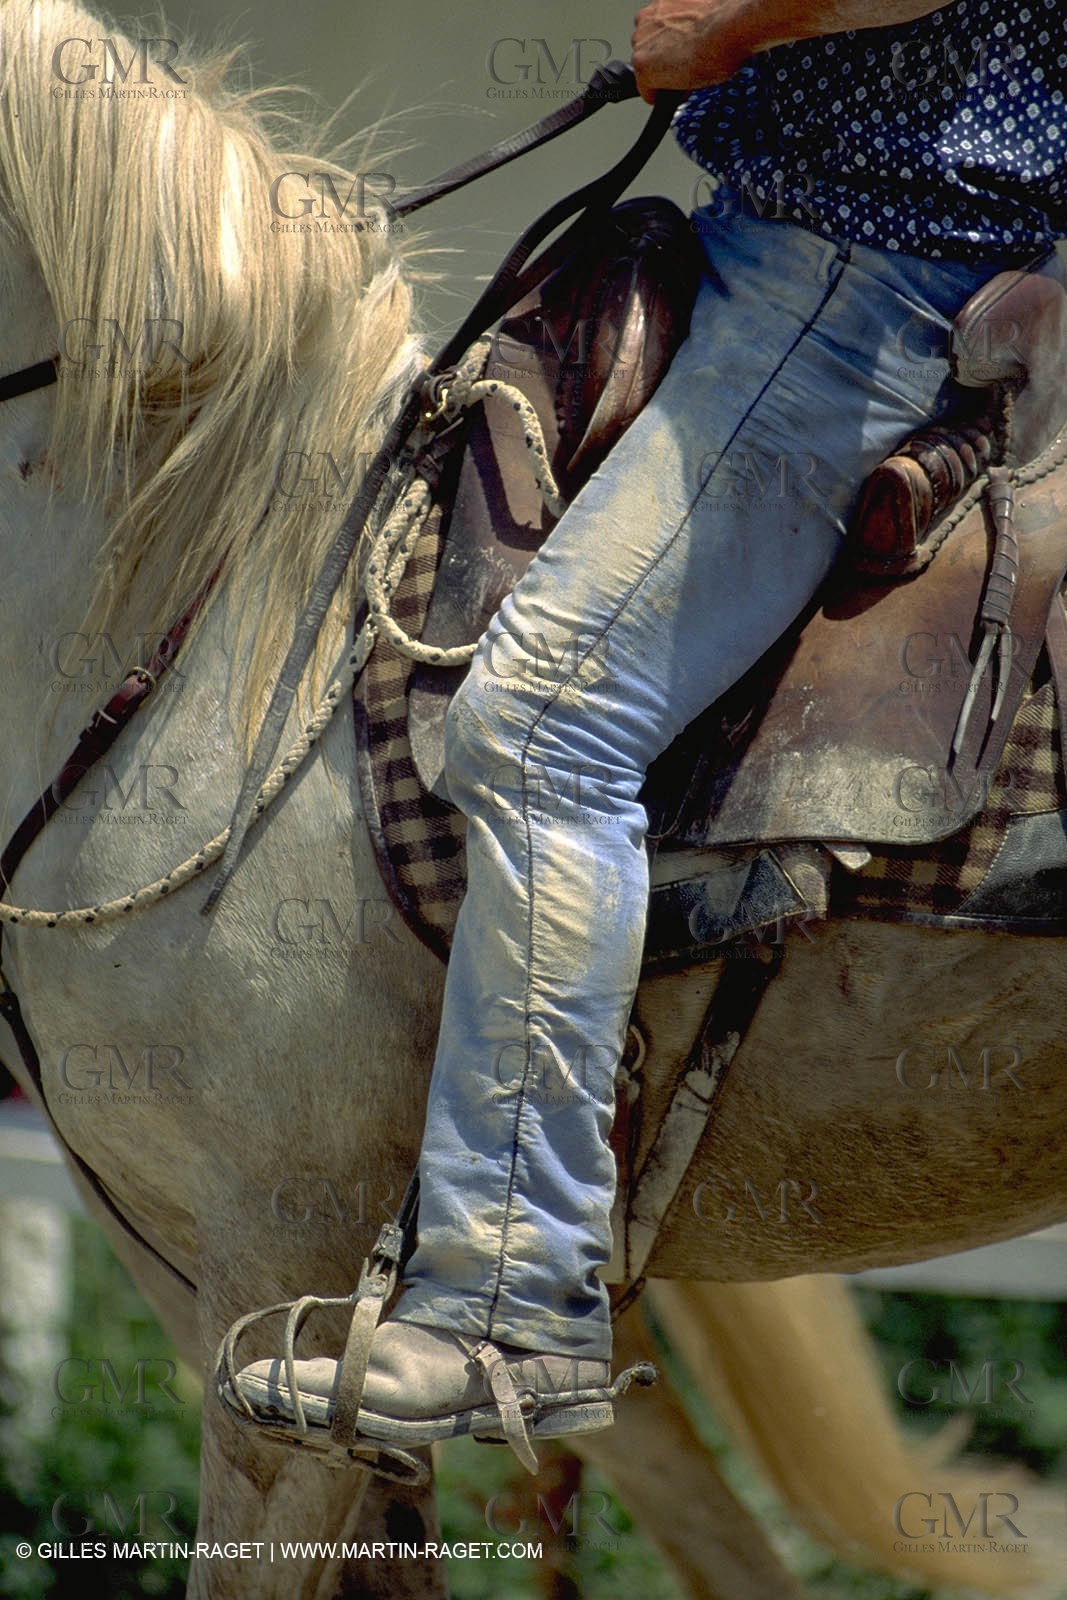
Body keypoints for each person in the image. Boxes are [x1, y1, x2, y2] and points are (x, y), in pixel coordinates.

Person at [227, 0, 1067, 1462]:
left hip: (851, 280)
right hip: (792, 244)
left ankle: (507, 1303)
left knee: (541, 729)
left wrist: (732, 25)